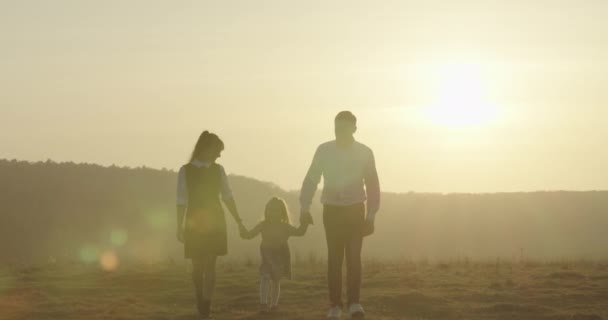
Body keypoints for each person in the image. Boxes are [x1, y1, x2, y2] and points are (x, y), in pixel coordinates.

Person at [299, 111, 380, 319]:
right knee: (334, 258)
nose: (339, 132)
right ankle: (335, 305)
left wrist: (371, 215)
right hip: (332, 210)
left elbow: (372, 185)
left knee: (354, 257)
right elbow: (311, 179)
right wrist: (304, 207)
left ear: (353, 128)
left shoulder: (364, 152)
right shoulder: (324, 150)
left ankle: (354, 303)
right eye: (336, 128)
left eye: (343, 128)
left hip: (355, 209)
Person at [176, 130, 245, 320]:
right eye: (217, 151)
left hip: (215, 220)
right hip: (194, 221)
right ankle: (201, 298)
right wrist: (178, 226)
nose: (219, 155)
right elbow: (181, 200)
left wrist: (238, 220)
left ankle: (206, 305)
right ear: (207, 148)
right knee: (198, 265)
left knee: (211, 263)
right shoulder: (186, 171)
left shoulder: (218, 170)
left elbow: (228, 196)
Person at [239, 197, 310, 313]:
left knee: (276, 281)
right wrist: (242, 229)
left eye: (276, 210)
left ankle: (274, 305)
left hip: (281, 257)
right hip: (266, 256)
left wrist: (305, 222)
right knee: (265, 277)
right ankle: (263, 303)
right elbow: (249, 235)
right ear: (266, 211)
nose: (273, 213)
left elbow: (299, 232)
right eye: (271, 210)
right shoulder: (263, 225)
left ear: (282, 212)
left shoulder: (285, 226)